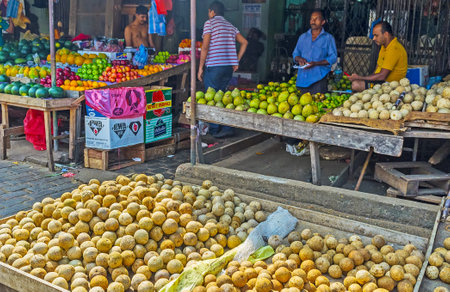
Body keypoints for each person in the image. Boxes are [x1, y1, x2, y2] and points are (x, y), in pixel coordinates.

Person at [197, 1, 248, 138]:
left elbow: (205, 47)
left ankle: (215, 130)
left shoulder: (210, 23)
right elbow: (244, 42)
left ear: (212, 12)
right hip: (227, 68)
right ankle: (227, 127)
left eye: (209, 12)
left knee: (213, 97)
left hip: (214, 66)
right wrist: (236, 59)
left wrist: (200, 67)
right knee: (223, 96)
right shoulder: (230, 26)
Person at [349, 21, 408, 92]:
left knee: (356, 84)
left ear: (386, 34)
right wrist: (364, 79)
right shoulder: (384, 46)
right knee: (356, 83)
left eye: (376, 35)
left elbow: (382, 76)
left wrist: (359, 77)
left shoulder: (394, 48)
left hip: (389, 86)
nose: (373, 38)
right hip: (380, 83)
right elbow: (377, 70)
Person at [292, 9, 337, 94]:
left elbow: (333, 57)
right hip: (302, 80)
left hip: (318, 80)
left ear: (323, 22)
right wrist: (299, 59)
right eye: (312, 19)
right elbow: (295, 54)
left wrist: (316, 63)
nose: (313, 21)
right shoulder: (303, 37)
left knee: (317, 105)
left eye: (316, 18)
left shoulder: (328, 38)